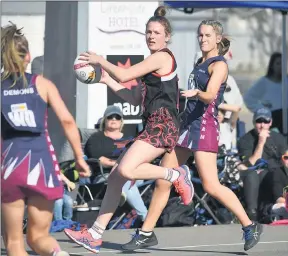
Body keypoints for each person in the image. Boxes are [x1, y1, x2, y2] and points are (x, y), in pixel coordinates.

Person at [122, 19, 263, 252]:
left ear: (218, 38)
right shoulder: (200, 62)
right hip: (187, 124)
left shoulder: (219, 65)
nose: (203, 39)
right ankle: (146, 232)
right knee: (164, 177)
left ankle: (249, 225)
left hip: (204, 127)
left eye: (207, 36)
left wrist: (198, 92)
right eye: (200, 35)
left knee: (210, 185)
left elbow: (210, 95)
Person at [64, 6, 194, 253]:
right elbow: (134, 98)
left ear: (167, 36)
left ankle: (177, 175)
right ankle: (95, 234)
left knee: (126, 168)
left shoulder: (163, 56)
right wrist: (105, 79)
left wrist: (101, 60)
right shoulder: (150, 66)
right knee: (116, 178)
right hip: (153, 124)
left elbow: (125, 74)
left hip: (164, 124)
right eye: (148, 32)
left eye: (156, 32)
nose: (151, 36)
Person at [1, 22, 90, 256]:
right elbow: (68, 122)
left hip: (10, 163)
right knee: (39, 236)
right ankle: (58, 254)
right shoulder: (41, 84)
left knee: (13, 242)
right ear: (28, 56)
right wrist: (79, 157)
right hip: (41, 162)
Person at [84, 105, 149, 221]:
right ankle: (146, 217)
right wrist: (123, 165)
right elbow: (101, 160)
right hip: (106, 175)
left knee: (131, 180)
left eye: (117, 117)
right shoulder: (96, 139)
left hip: (134, 174)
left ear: (121, 121)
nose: (114, 119)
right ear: (105, 120)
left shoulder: (130, 138)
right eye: (110, 117)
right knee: (125, 182)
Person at [237, 108, 288, 221]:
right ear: (254, 122)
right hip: (258, 173)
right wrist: (261, 142)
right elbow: (250, 163)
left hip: (277, 173)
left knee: (277, 171)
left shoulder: (278, 138)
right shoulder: (245, 140)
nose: (262, 125)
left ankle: (281, 204)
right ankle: (254, 213)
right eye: (259, 121)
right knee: (254, 174)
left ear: (270, 122)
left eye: (265, 122)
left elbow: (285, 158)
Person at [244, 52, 283, 133]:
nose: (281, 66)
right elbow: (248, 98)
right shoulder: (264, 82)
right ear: (272, 65)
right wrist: (261, 108)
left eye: (283, 63)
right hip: (272, 119)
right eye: (278, 63)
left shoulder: (286, 81)